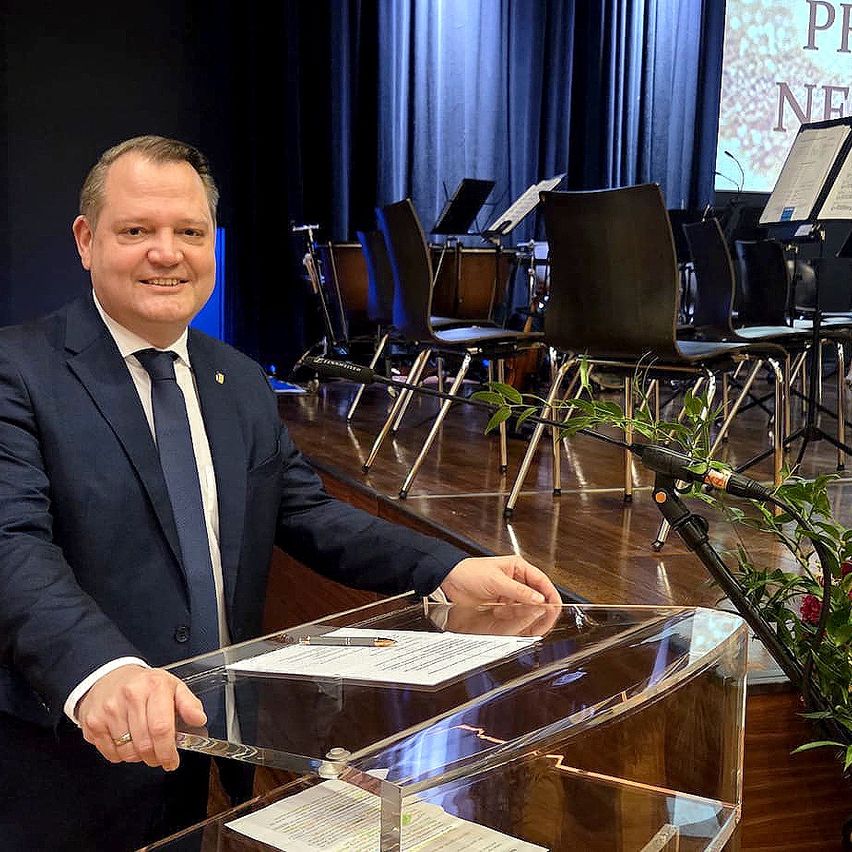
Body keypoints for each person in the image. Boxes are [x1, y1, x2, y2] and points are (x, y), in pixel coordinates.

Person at [0, 135, 560, 850]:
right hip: (68, 761)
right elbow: (12, 548)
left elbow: (307, 512)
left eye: (190, 233)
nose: (166, 253)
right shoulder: (17, 371)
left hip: (207, 747)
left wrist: (443, 568)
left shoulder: (236, 378)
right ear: (86, 240)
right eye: (136, 231)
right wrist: (103, 670)